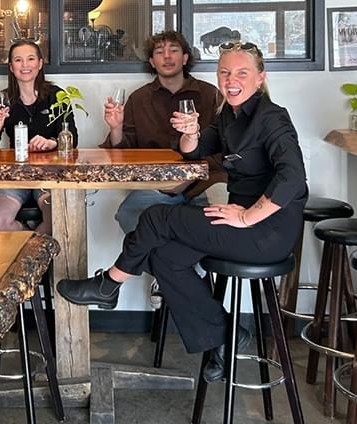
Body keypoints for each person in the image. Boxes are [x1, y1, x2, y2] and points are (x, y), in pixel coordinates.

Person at [57, 42, 307, 383]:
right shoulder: (228, 115)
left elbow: (292, 178)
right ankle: (226, 336)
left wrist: (248, 216)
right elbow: (194, 152)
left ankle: (109, 283)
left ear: (260, 78)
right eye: (225, 72)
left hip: (267, 232)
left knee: (156, 217)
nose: (231, 80)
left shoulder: (271, 116)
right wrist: (190, 133)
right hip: (240, 224)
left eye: (241, 73)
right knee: (165, 258)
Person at [101, 31, 222, 234]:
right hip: (156, 187)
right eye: (159, 52)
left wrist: (185, 179)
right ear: (151, 61)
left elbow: (225, 149)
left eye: (173, 50)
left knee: (212, 224)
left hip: (203, 184)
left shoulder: (210, 95)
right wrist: (116, 128)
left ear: (184, 58)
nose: (167, 56)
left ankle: (176, 265)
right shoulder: (139, 98)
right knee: (128, 214)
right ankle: (166, 265)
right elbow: (122, 153)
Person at [0, 40, 78, 234]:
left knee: (57, 218)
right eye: (18, 60)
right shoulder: (4, 101)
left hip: (50, 175)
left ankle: (32, 254)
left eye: (30, 59)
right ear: (11, 67)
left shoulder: (57, 96)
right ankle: (30, 246)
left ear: (40, 63)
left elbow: (73, 139)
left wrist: (52, 142)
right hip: (14, 175)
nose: (25, 65)